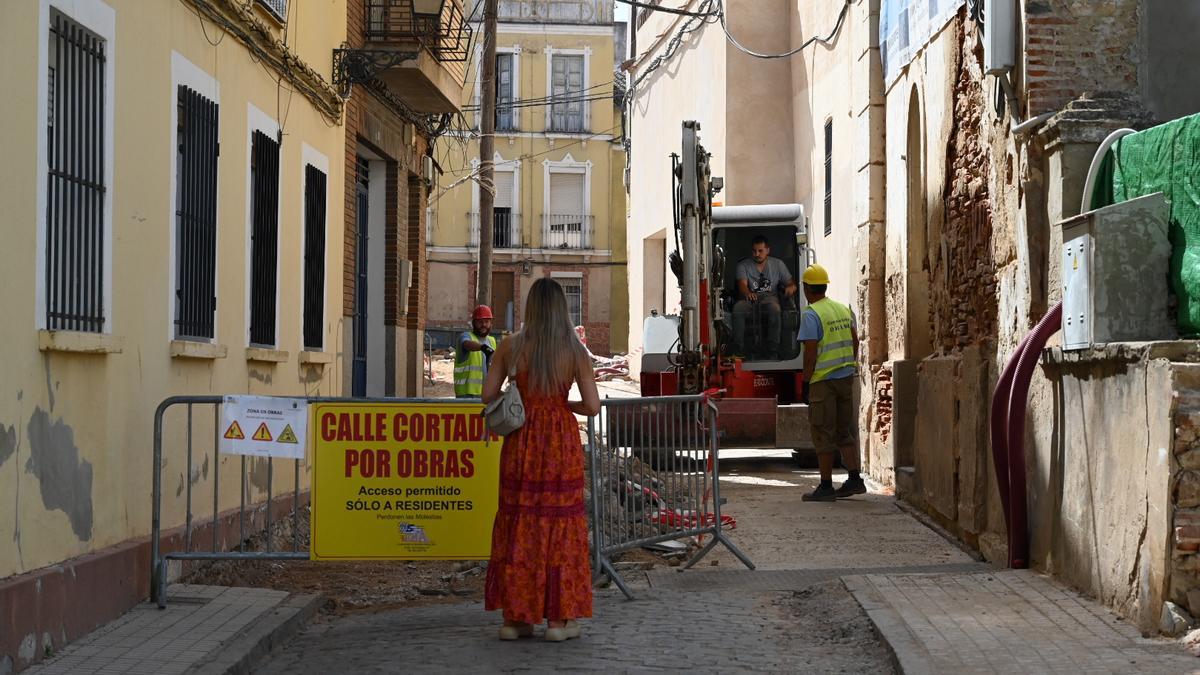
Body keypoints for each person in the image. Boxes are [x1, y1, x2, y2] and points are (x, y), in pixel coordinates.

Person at [481, 278, 601, 642]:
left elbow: (487, 395)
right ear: (562, 309)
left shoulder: (510, 347)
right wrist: (564, 406)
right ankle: (558, 622)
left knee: (521, 524)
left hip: (521, 442)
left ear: (530, 306)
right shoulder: (574, 350)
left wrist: (521, 395)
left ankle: (516, 620)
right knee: (559, 529)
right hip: (560, 443)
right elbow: (594, 406)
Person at [796, 264, 866, 502]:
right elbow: (855, 341)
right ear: (824, 286)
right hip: (845, 378)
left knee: (822, 433)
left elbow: (810, 353)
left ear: (806, 288)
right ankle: (855, 479)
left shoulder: (811, 314)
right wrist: (848, 364)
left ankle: (826, 486)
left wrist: (806, 382)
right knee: (843, 431)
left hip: (823, 382)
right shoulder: (842, 309)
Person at [732, 235, 797, 359]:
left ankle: (773, 349)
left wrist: (791, 287)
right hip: (750, 299)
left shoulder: (778, 264)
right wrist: (748, 293)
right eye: (754, 251)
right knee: (738, 308)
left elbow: (790, 283)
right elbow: (742, 285)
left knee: (775, 309)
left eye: (760, 251)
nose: (757, 254)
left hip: (770, 298)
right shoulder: (743, 265)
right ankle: (738, 349)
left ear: (768, 250)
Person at [453, 305, 497, 398]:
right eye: (479, 322)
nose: (483, 325)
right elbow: (466, 344)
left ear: (491, 323)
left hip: (485, 394)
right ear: (473, 323)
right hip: (467, 395)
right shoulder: (466, 337)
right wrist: (482, 347)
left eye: (486, 321)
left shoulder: (492, 341)